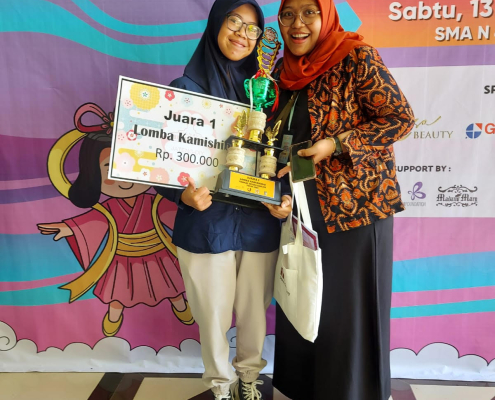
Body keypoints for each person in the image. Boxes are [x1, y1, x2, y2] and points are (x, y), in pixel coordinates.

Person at [271, 1, 415, 399]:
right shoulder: (281, 73)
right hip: (304, 208)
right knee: (305, 297)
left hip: (357, 209)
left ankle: (351, 391)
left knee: (347, 308)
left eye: (309, 12)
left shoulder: (355, 57)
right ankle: (305, 389)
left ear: (327, 15)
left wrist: (335, 144)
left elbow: (399, 118)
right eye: (288, 14)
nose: (297, 24)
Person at [155, 1, 292, 399]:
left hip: (258, 222)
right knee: (212, 315)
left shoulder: (269, 95)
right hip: (205, 223)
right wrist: (182, 194)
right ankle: (220, 387)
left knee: (253, 312)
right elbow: (156, 162)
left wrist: (283, 199)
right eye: (234, 21)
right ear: (217, 23)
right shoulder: (184, 90)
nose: (242, 34)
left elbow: (283, 155)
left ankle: (248, 381)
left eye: (252, 28)